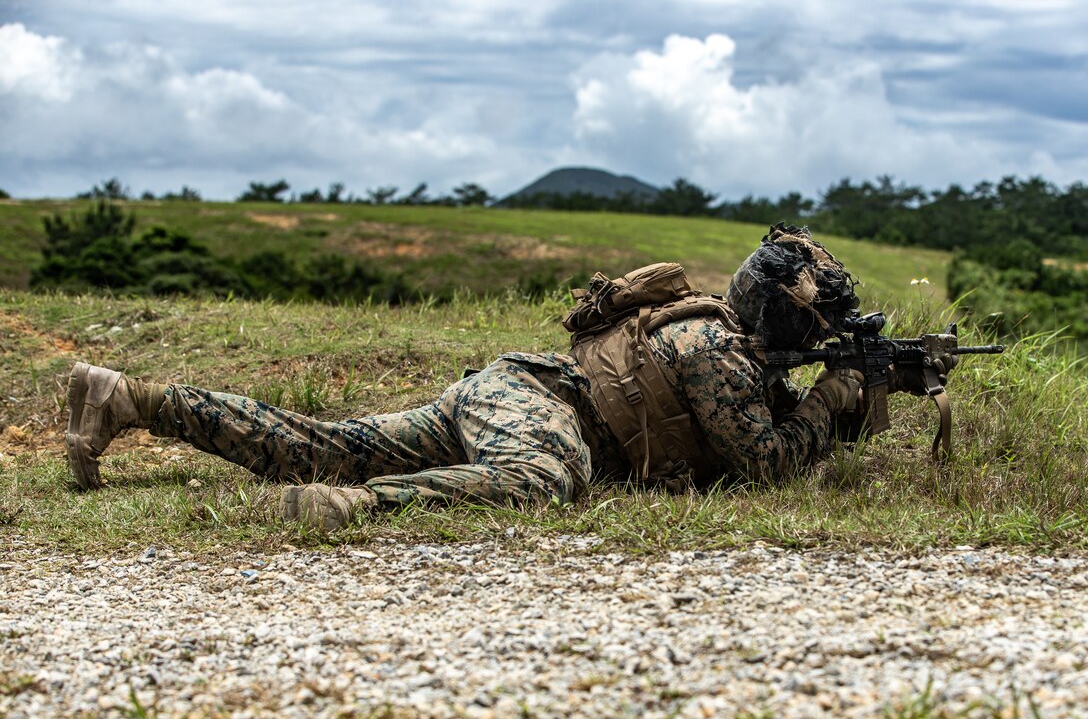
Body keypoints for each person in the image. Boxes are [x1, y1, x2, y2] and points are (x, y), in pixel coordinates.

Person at [64, 225, 916, 531]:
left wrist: (847, 391)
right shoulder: (716, 349)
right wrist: (834, 400)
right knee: (544, 479)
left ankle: (125, 396)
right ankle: (362, 505)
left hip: (510, 389)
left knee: (324, 443)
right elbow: (764, 467)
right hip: (544, 410)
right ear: (783, 319)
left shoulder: (713, 331)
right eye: (817, 331)